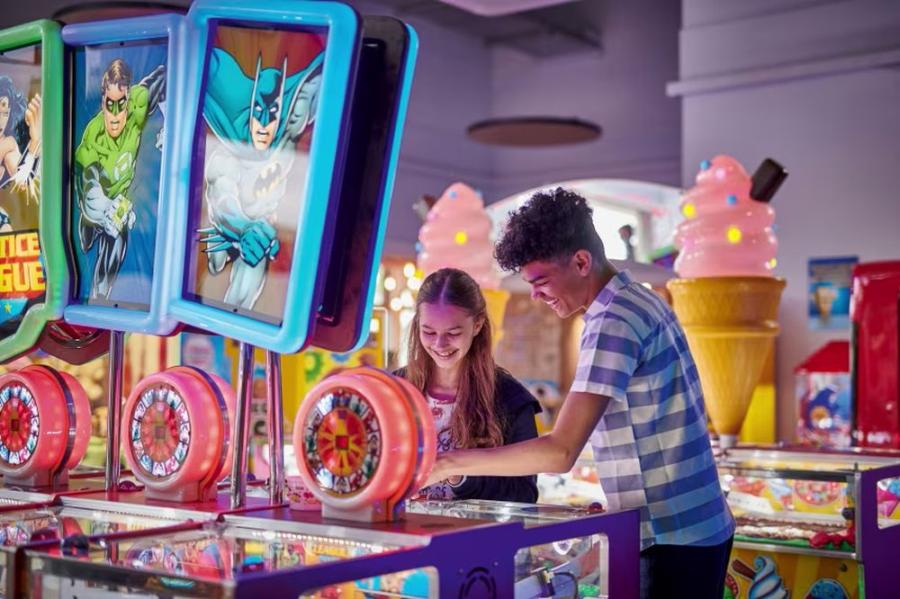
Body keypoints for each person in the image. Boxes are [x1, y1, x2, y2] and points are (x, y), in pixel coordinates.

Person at [426, 189, 734, 599]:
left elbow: (560, 451)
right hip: (693, 528)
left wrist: (447, 463)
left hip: (671, 538)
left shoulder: (613, 321)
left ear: (581, 262)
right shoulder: (639, 298)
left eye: (541, 281)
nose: (535, 295)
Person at [397, 267, 540, 503]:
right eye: (428, 332)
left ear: (477, 325)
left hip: (473, 538)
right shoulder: (396, 389)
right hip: (405, 536)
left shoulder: (510, 398)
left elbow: (524, 494)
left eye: (453, 332)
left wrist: (460, 475)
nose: (440, 344)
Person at [75, 59, 165, 300]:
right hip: (94, 208)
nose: (115, 115)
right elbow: (88, 188)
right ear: (103, 101)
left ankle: (100, 298)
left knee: (118, 234)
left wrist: (172, 124)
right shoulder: (92, 138)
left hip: (120, 202)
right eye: (109, 105)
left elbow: (163, 77)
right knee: (85, 242)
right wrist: (106, 209)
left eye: (121, 105)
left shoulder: (138, 105)